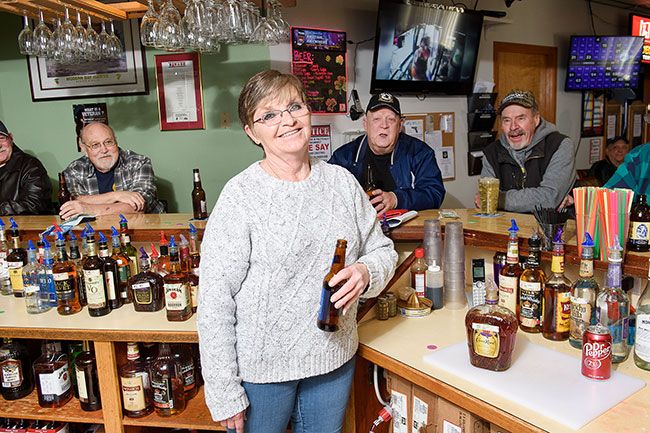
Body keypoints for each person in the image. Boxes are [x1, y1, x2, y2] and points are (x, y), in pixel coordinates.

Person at [197, 70, 397, 433]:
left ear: (308, 112)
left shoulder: (342, 183)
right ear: (251, 132)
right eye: (268, 114)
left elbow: (383, 249)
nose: (286, 120)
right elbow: (214, 302)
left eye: (294, 106)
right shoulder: (240, 196)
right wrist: (223, 390)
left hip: (333, 360)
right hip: (262, 372)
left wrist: (366, 272)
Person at [328, 92, 445, 214]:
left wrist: (396, 199)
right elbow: (327, 193)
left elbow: (434, 194)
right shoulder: (343, 156)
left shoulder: (419, 152)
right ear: (366, 124)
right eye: (377, 119)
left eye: (391, 119)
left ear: (399, 126)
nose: (384, 125)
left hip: (405, 228)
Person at [478, 89, 576, 213]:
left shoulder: (560, 145)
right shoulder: (491, 153)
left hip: (549, 229)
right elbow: (484, 200)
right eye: (507, 120)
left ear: (536, 119)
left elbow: (549, 197)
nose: (513, 127)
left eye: (521, 118)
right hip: (506, 228)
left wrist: (497, 198)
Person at [60, 122, 165, 219]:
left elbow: (138, 208)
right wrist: (117, 195)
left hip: (145, 228)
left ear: (116, 141)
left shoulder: (139, 163)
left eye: (108, 142)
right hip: (98, 230)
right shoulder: (74, 170)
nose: (104, 150)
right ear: (84, 149)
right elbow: (75, 202)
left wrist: (88, 209)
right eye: (95, 145)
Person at [0, 120, 52, 215]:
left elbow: (34, 204)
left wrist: (2, 209)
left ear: (11, 138)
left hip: (24, 227)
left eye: (1, 138)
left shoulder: (31, 166)